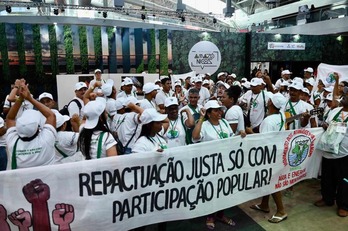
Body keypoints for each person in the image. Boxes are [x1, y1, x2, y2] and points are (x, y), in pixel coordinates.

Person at [191, 100, 235, 229]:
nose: (219, 112)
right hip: (210, 165)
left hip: (226, 163)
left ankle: (221, 214)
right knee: (211, 190)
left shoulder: (225, 122)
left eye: (220, 110)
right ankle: (210, 215)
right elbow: (195, 137)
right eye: (216, 110)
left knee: (223, 190)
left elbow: (232, 138)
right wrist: (201, 118)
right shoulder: (204, 125)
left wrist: (241, 135)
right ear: (209, 114)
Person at [250, 93, 288, 223]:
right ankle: (264, 204)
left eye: (270, 99)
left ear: (271, 103)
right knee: (267, 179)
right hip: (277, 151)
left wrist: (250, 133)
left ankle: (281, 211)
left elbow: (262, 141)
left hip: (269, 154)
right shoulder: (281, 116)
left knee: (271, 181)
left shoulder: (268, 120)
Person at [6, 82, 57, 169]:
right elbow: (51, 115)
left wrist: (21, 99)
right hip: (47, 181)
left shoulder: (12, 143)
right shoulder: (46, 140)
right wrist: (30, 98)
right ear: (37, 128)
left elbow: (9, 118)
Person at [314, 87, 348, 217]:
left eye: (347, 95)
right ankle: (327, 199)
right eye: (344, 94)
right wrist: (325, 126)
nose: (344, 96)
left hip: (344, 154)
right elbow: (326, 124)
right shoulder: (335, 111)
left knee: (344, 181)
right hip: (327, 150)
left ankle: (344, 205)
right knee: (327, 178)